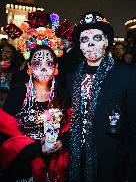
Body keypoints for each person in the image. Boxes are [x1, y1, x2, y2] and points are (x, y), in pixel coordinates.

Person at [0, 10, 70, 182]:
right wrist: (37, 149)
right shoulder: (18, 93)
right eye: (38, 63)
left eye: (49, 63)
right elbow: (5, 133)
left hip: (55, 165)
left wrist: (61, 141)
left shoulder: (61, 93)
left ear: (55, 67)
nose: (44, 68)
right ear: (29, 67)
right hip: (23, 168)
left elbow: (70, 126)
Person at [66, 11, 136, 182]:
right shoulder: (70, 78)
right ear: (80, 46)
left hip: (112, 163)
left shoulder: (126, 75)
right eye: (84, 39)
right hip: (77, 161)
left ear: (106, 41)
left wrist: (131, 171)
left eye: (97, 38)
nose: (90, 44)